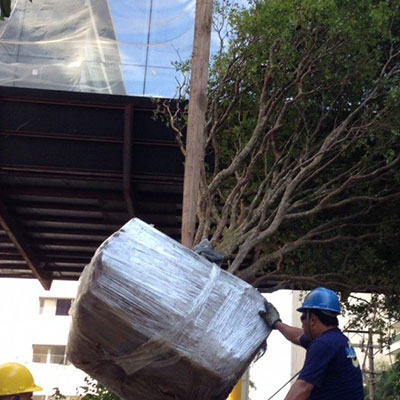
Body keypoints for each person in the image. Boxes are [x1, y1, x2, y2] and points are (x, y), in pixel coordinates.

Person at [259, 287, 364, 400]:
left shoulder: (324, 344)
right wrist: (276, 323)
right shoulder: (337, 339)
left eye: (303, 317)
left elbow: (303, 387)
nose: (302, 324)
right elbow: (298, 336)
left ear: (313, 320)